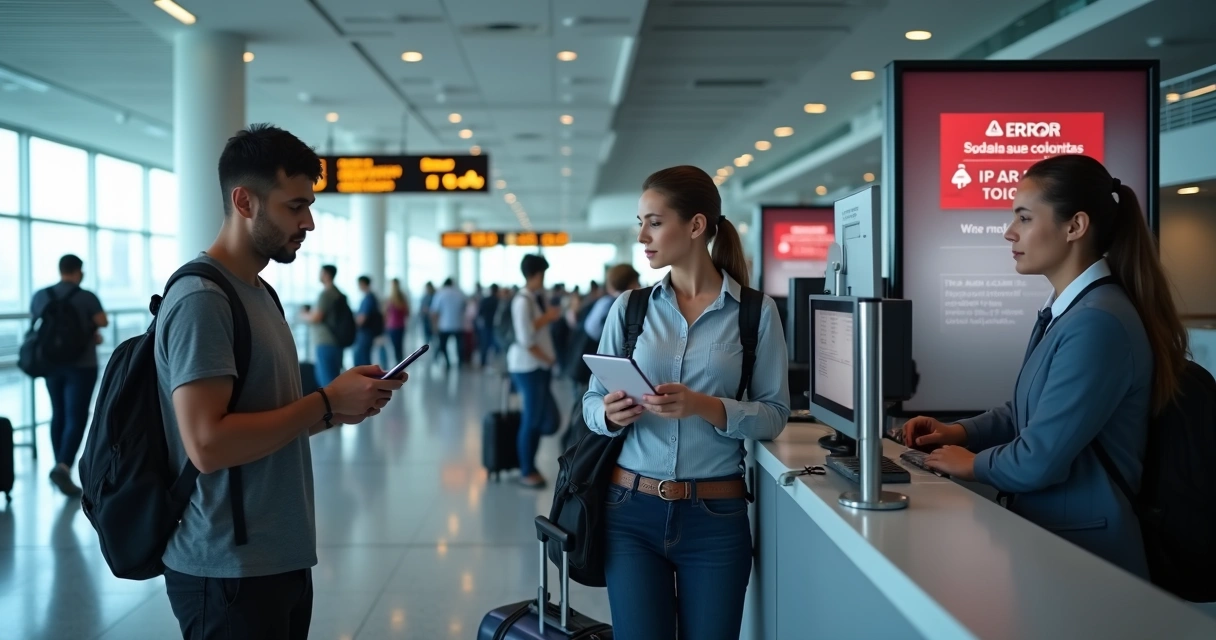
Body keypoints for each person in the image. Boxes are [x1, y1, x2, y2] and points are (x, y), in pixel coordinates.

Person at [155, 124, 406, 639]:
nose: (309, 222)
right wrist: (323, 401)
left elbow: (265, 425)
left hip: (277, 553)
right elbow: (207, 444)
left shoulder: (260, 293)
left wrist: (337, 406)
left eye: (309, 205)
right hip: (227, 567)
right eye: (295, 207)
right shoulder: (203, 299)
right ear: (244, 201)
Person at [904, 154, 1189, 579]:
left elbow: (1038, 460)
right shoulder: (1071, 310)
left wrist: (971, 463)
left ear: (1075, 226)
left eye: (1024, 218)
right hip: (1060, 542)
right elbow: (1028, 412)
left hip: (1089, 556)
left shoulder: (1098, 323)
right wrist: (960, 431)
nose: (1009, 233)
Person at [582, 165, 790, 639]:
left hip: (715, 518)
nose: (642, 236)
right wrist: (608, 414)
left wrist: (704, 405)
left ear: (696, 226)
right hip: (629, 509)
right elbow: (591, 401)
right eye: (640, 223)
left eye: (654, 222)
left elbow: (775, 414)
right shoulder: (630, 308)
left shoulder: (756, 313)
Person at [30, 254, 107, 496]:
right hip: (82, 365)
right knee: (77, 415)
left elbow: (36, 322)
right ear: (78, 271)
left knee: (58, 413)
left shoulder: (41, 295)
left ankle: (59, 465)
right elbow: (102, 321)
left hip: (51, 364)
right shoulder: (86, 296)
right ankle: (63, 467)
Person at [508, 255, 564, 488]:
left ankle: (526, 457)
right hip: (528, 367)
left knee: (548, 420)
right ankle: (526, 469)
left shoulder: (537, 298)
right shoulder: (522, 301)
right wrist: (547, 319)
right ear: (536, 274)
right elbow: (526, 339)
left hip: (540, 366)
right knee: (532, 419)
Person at [429, 278, 466, 369]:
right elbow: (464, 308)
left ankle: (448, 362)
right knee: (459, 345)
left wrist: (434, 325)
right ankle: (460, 362)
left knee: (443, 345)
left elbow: (434, 311)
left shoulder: (440, 294)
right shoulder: (459, 293)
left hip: (444, 324)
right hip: (458, 324)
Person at [353, 275, 382, 367]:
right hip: (368, 332)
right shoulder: (370, 298)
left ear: (363, 284)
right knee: (363, 357)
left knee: (362, 358)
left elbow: (362, 318)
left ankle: (364, 380)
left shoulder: (368, 299)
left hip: (366, 333)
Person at [382, 278, 410, 366]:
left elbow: (385, 313)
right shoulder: (402, 298)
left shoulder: (390, 299)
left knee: (394, 346)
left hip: (392, 326)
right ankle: (400, 363)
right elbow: (407, 313)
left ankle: (397, 364)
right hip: (400, 325)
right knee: (399, 346)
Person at [476, 284, 501, 365]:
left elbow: (480, 313)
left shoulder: (485, 300)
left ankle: (483, 362)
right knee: (496, 344)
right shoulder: (498, 301)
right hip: (496, 326)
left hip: (486, 324)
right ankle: (498, 362)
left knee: (485, 344)